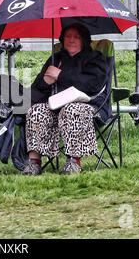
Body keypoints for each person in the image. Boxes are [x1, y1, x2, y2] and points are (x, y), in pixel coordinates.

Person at [22, 23, 108, 175]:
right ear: (62, 40)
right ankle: (34, 163)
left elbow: (92, 85)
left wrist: (60, 76)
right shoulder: (56, 59)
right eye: (68, 36)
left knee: (72, 109)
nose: (72, 40)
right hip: (56, 107)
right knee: (36, 110)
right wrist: (45, 81)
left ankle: (74, 162)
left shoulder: (95, 59)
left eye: (76, 37)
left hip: (91, 107)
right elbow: (37, 88)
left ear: (84, 40)